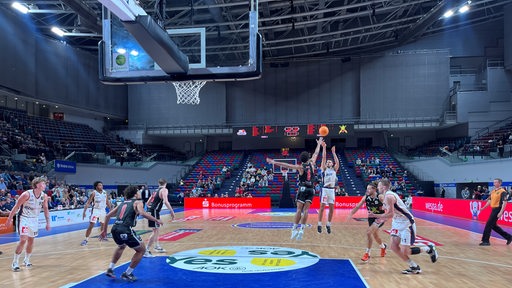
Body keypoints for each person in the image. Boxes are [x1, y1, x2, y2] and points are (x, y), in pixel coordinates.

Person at [369, 178, 438, 274]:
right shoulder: (384, 196)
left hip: (406, 223)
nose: (378, 187)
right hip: (397, 223)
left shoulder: (389, 196)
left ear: (384, 187)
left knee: (406, 251)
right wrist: (380, 219)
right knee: (393, 247)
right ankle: (414, 266)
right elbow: (389, 213)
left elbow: (391, 214)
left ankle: (428, 248)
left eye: (379, 185)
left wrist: (376, 215)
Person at [101, 185, 163, 282]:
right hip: (125, 229)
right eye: (138, 191)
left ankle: (110, 269)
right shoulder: (138, 202)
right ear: (135, 194)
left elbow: (108, 215)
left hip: (115, 229)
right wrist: (156, 220)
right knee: (141, 250)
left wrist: (104, 231)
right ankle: (127, 273)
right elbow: (142, 213)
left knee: (121, 246)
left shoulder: (122, 203)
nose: (139, 193)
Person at [266, 137, 323, 241]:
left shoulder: (300, 167)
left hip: (302, 188)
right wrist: (319, 143)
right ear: (308, 158)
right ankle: (302, 230)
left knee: (298, 210)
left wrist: (274, 162)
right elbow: (316, 153)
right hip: (311, 189)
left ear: (301, 159)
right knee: (306, 211)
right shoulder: (312, 164)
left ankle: (294, 229)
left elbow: (286, 165)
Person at [6, 177, 51, 271]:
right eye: (43, 183)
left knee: (31, 241)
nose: (45, 185)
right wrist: (9, 219)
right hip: (24, 218)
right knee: (23, 239)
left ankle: (26, 260)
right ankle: (15, 262)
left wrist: (48, 222)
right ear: (37, 185)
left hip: (34, 219)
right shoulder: (26, 194)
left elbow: (46, 209)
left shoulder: (44, 196)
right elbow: (16, 207)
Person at [347, 181, 387, 262]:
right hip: (371, 217)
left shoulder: (380, 197)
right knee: (375, 235)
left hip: (380, 217)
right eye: (367, 189)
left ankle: (367, 254)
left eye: (369, 189)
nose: (367, 190)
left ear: (374, 189)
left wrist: (385, 209)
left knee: (369, 232)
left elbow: (388, 206)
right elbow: (358, 206)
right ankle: (383, 247)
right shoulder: (366, 197)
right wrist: (351, 214)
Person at [145, 178, 175, 257]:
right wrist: (172, 211)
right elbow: (165, 201)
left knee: (157, 230)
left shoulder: (155, 191)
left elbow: (147, 203)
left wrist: (152, 208)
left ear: (159, 184)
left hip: (153, 211)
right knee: (155, 231)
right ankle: (146, 250)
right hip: (154, 211)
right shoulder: (164, 190)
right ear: (165, 183)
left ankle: (156, 246)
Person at [478, 178, 512, 246]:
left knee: (488, 224)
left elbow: (504, 202)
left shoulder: (503, 192)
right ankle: (509, 237)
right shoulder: (493, 191)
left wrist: (501, 212)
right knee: (493, 226)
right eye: (494, 182)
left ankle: (486, 241)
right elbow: (490, 201)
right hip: (494, 209)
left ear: (500, 183)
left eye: (496, 182)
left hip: (498, 209)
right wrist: (483, 208)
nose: (494, 183)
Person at [317, 142, 340, 234]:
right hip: (325, 189)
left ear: (332, 163)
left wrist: (334, 153)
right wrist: (324, 148)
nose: (328, 162)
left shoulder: (334, 169)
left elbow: (337, 162)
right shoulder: (324, 169)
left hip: (332, 190)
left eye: (330, 162)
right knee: (322, 207)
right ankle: (319, 224)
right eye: (327, 162)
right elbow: (323, 158)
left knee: (331, 208)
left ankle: (328, 224)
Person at [81, 181, 112, 246]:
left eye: (102, 185)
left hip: (103, 210)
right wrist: (84, 212)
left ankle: (102, 237)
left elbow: (107, 201)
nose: (101, 186)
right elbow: (88, 203)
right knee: (91, 225)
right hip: (96, 210)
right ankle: (86, 239)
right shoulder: (93, 193)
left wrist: (111, 209)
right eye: (100, 185)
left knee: (103, 225)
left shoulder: (104, 192)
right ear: (96, 186)